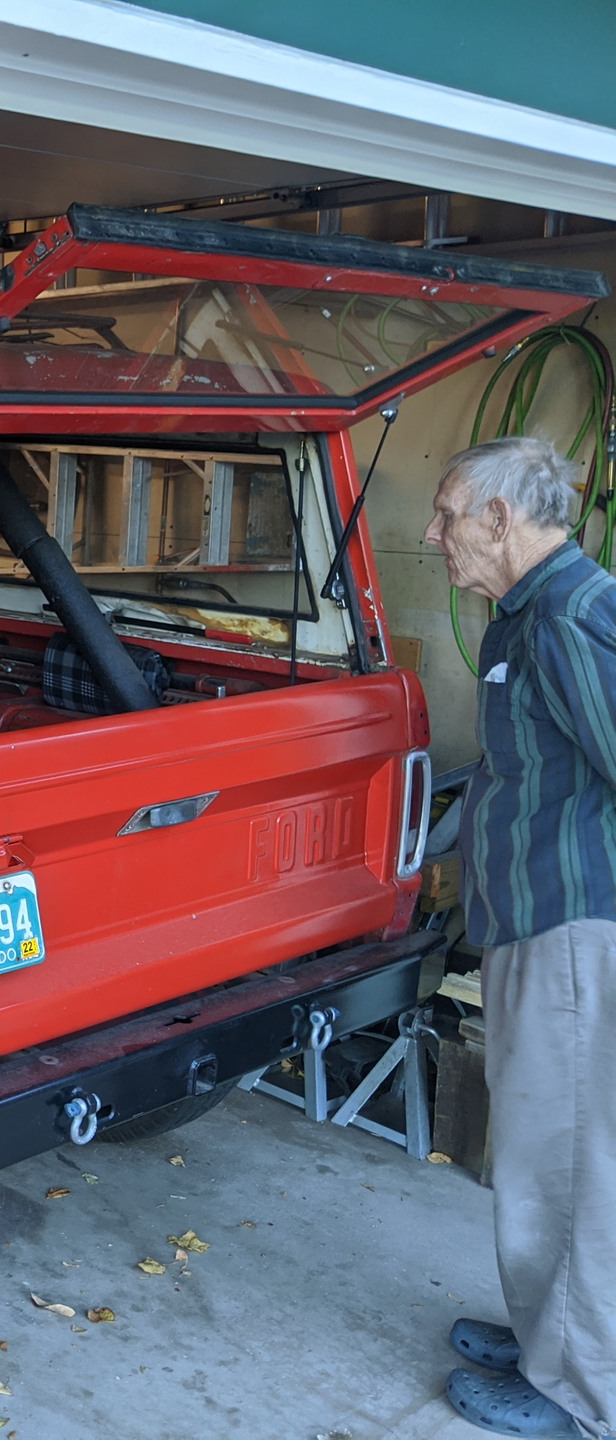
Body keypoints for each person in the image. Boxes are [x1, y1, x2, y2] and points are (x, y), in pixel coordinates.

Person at [423, 436, 616, 1439]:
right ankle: (553, 1329)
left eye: (449, 513)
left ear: (502, 518)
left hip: (573, 932)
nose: (435, 533)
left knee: (573, 1165)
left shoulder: (574, 616)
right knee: (542, 1152)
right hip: (530, 925)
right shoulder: (524, 618)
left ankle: (582, 1390)